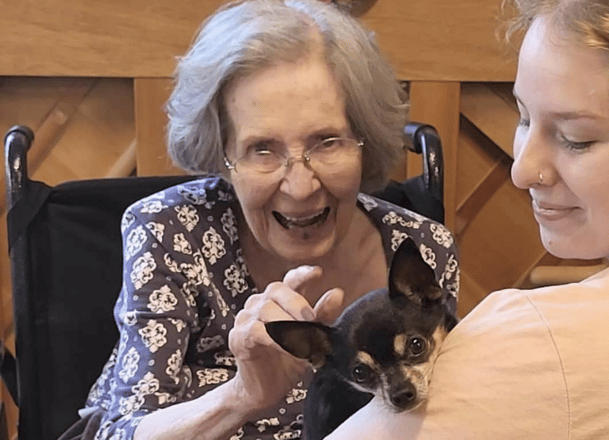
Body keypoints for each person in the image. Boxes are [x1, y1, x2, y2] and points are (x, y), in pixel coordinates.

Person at [325, 0, 609, 438]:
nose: (523, 170)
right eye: (522, 116)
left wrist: (249, 402)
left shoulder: (537, 347)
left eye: (574, 138)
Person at [71, 1, 459, 439]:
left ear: (364, 141)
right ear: (221, 153)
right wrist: (240, 396)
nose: (300, 186)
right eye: (262, 149)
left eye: (328, 141)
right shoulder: (169, 234)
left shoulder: (423, 246)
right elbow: (119, 431)